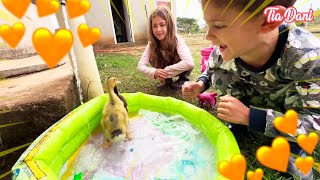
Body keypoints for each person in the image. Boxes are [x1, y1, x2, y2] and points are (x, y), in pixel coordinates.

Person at [182, 0, 320, 179]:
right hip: (253, 96)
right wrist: (201, 84)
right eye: (208, 25)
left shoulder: (306, 56)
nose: (208, 36)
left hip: (287, 109)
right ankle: (238, 124)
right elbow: (212, 68)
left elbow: (315, 122)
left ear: (267, 22)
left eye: (218, 26)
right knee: (223, 73)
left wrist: (251, 117)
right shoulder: (225, 49)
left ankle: (293, 147)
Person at [137, 6, 194, 90]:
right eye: (154, 26)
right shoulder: (151, 44)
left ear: (169, 25)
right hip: (165, 70)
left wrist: (166, 71)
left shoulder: (177, 40)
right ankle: (167, 81)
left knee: (185, 60)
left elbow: (189, 63)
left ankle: (183, 79)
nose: (158, 29)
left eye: (162, 25)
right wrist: (154, 72)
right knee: (153, 56)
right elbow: (140, 66)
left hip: (177, 69)